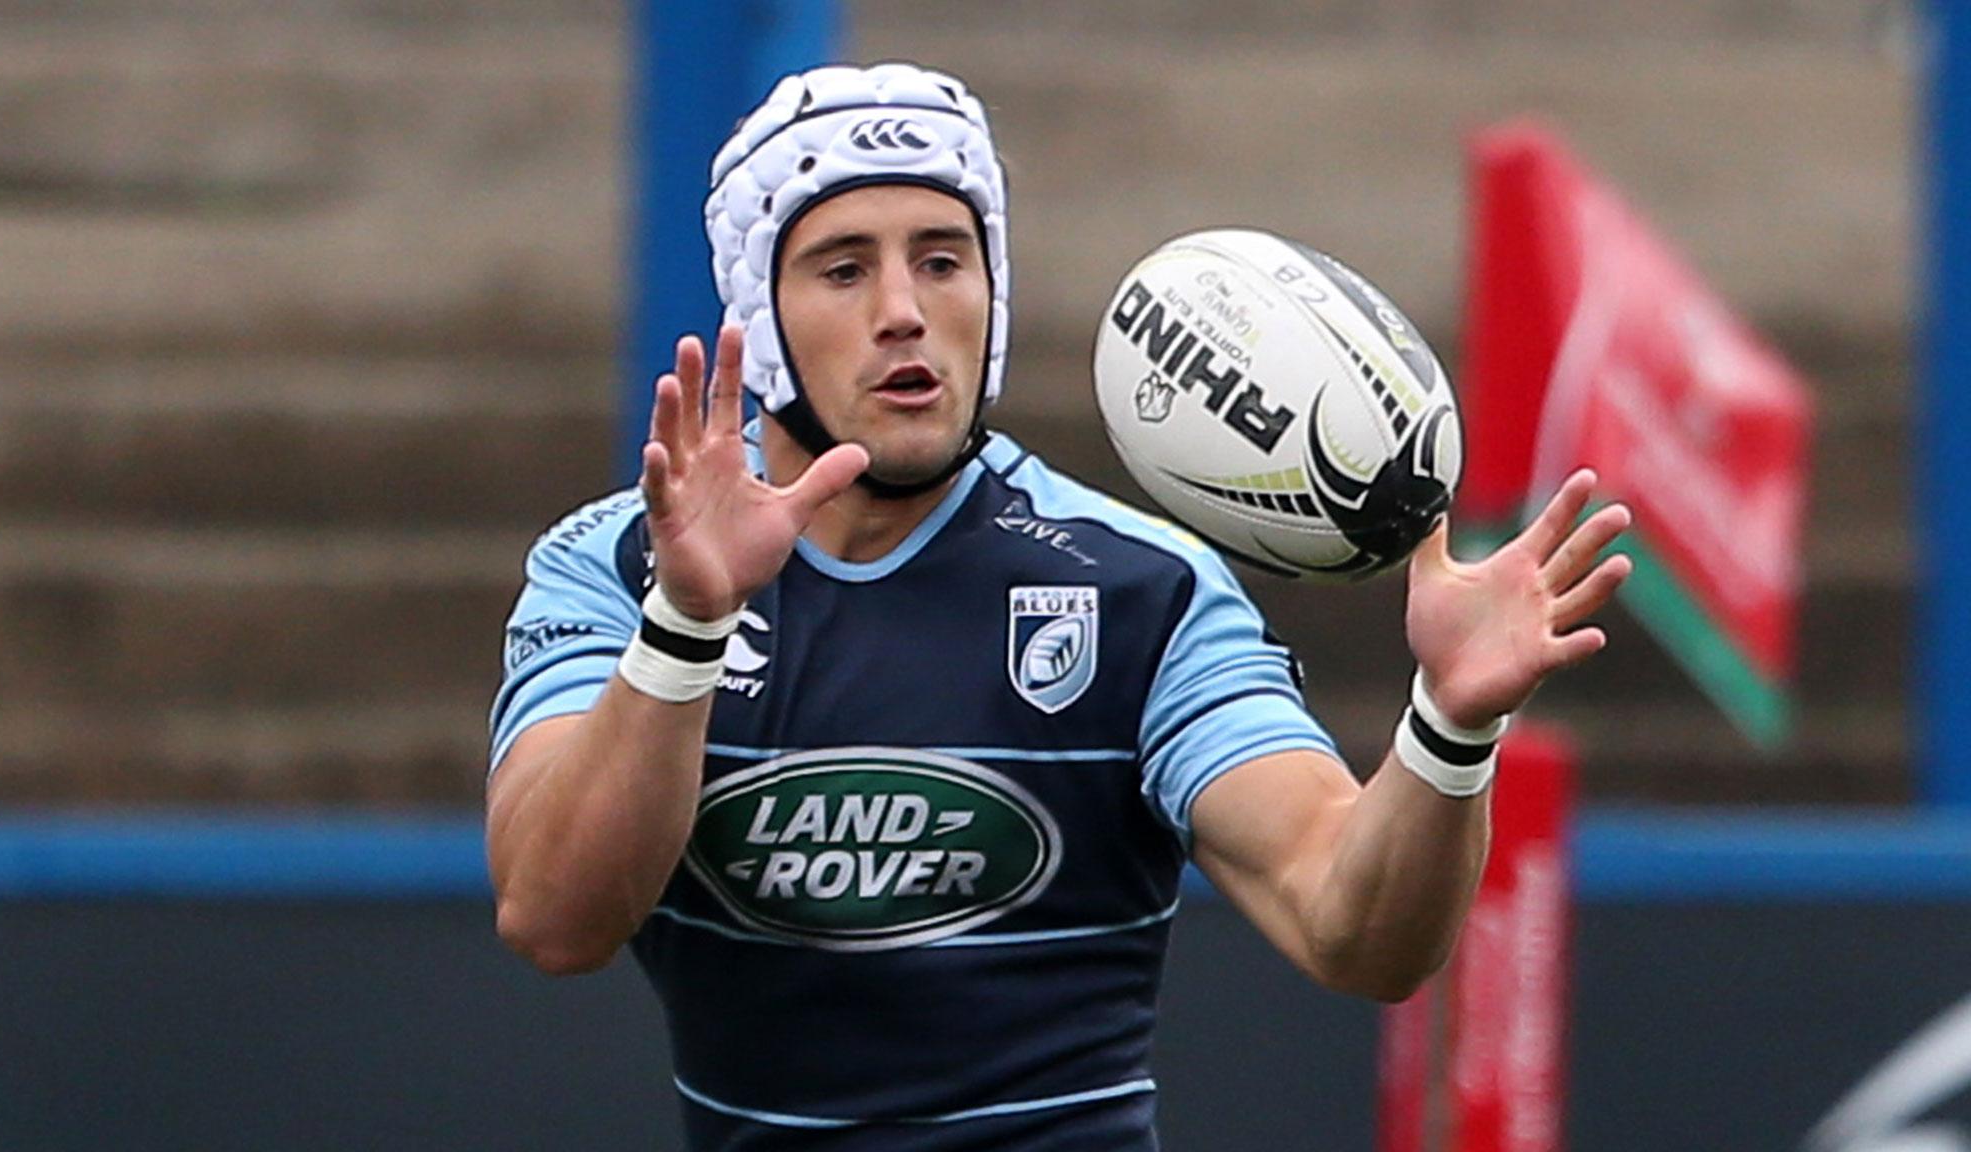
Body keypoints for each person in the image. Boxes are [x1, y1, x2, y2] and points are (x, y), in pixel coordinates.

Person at [485, 61, 1631, 1150]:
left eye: (943, 259)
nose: (903, 309)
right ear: (760, 314)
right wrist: (686, 628)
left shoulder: (1137, 587)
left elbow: (1351, 926)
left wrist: (1449, 726)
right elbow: (553, 916)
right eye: (843, 269)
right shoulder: (613, 568)